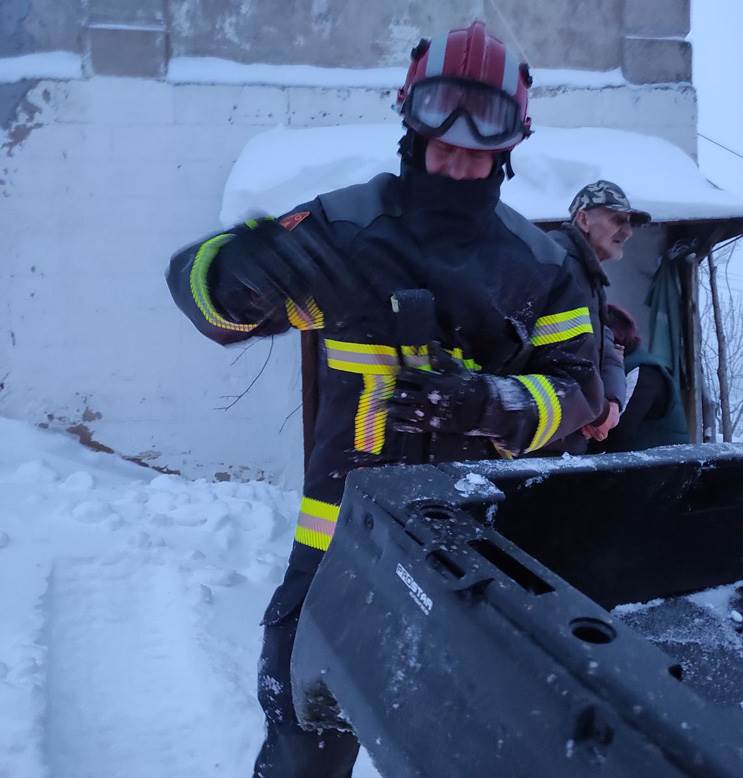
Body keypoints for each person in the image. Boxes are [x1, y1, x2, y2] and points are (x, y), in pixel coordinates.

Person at [165, 21, 604, 777]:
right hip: (338, 553)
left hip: (477, 559)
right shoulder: (344, 229)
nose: (458, 157)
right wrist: (242, 273)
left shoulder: (541, 265)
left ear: (509, 147)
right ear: (410, 122)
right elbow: (210, 307)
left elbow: (581, 391)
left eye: (479, 145)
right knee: (304, 755)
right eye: (443, 137)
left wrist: (490, 403)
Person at [542, 180, 651, 451]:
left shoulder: (587, 277)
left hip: (563, 441)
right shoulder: (554, 265)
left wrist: (611, 401)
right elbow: (552, 359)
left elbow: (605, 349)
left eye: (629, 223)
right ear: (583, 219)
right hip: (541, 447)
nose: (627, 232)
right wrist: (597, 409)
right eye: (617, 220)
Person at [596, 303, 689, 452]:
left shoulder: (642, 371)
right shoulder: (620, 369)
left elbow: (616, 433)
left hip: (663, 470)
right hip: (641, 466)